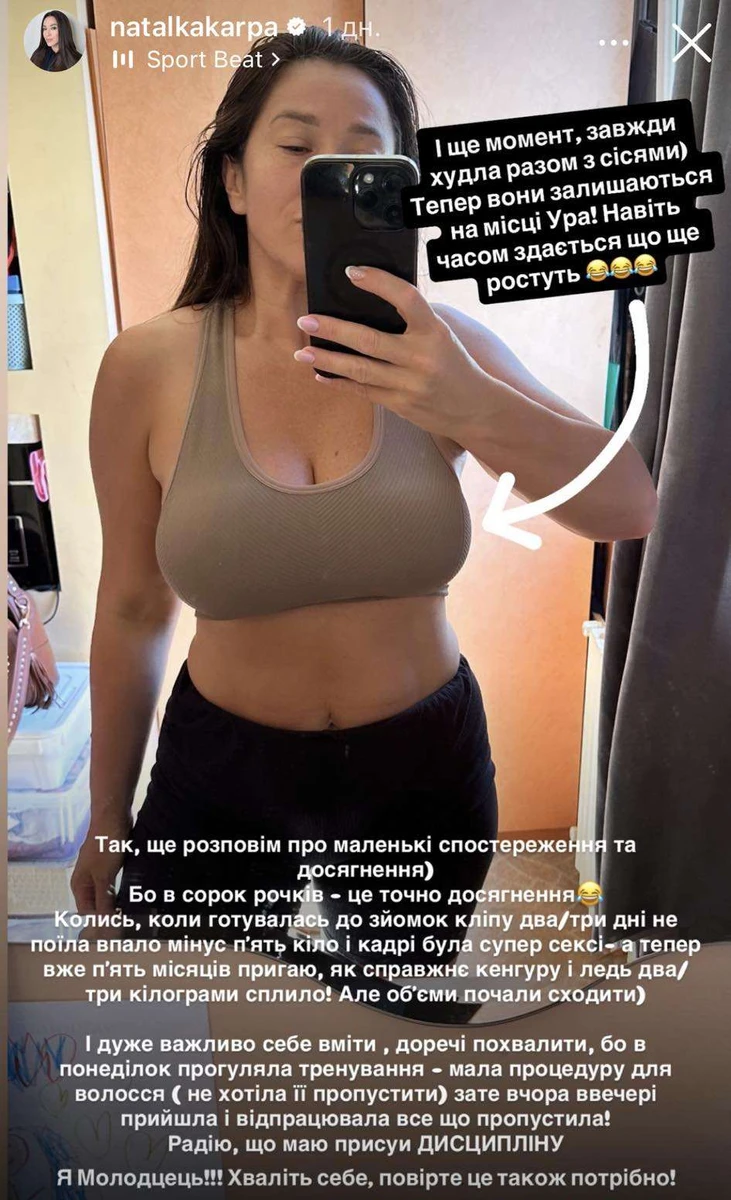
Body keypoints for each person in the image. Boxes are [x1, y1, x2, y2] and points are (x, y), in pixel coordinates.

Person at [70, 27, 657, 971]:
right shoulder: (148, 365)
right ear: (233, 179)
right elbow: (135, 604)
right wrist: (107, 813)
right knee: (207, 1041)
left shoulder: (445, 350)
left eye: (363, 156)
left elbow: (626, 506)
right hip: (219, 771)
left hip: (421, 768)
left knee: (396, 1032)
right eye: (297, 146)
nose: (328, 177)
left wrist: (460, 398)